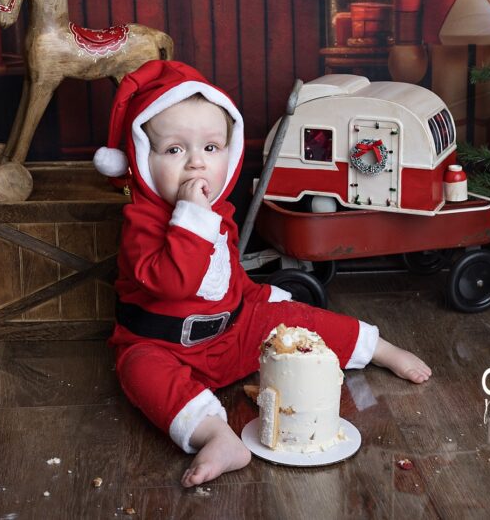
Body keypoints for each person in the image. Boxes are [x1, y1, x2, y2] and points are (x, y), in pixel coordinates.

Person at [93, 60, 431, 488]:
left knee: (300, 319)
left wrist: (260, 298)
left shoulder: (220, 213)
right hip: (162, 345)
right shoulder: (142, 224)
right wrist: (190, 219)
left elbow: (227, 277)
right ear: (143, 159)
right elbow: (173, 283)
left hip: (230, 334)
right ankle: (217, 436)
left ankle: (377, 347)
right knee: (139, 373)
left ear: (230, 156)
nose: (196, 165)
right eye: (175, 150)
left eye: (211, 149)